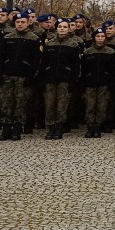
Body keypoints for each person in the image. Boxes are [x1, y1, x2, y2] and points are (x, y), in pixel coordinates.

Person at [0, 11, 41, 140]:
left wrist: (31, 76)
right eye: (17, 22)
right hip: (7, 75)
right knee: (6, 102)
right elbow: (1, 56)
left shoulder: (34, 39)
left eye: (22, 22)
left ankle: (17, 129)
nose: (20, 24)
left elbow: (37, 60)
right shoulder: (7, 37)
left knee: (20, 103)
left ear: (28, 23)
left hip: (23, 76)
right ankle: (6, 129)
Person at [39, 18, 81, 140]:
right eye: (60, 27)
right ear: (56, 28)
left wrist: (74, 80)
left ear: (68, 29)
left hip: (65, 79)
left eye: (64, 27)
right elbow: (43, 62)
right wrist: (42, 78)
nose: (62, 29)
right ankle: (50, 128)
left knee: (62, 105)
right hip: (50, 78)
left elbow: (76, 65)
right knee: (50, 104)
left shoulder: (73, 44)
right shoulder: (50, 43)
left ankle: (59, 127)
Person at [80, 29, 115, 138]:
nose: (100, 39)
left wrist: (111, 82)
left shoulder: (110, 52)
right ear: (94, 38)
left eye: (102, 36)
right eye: (98, 36)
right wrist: (83, 83)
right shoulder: (88, 52)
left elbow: (114, 70)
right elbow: (83, 69)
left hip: (104, 84)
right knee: (90, 106)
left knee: (102, 106)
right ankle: (90, 127)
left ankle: (98, 127)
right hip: (90, 83)